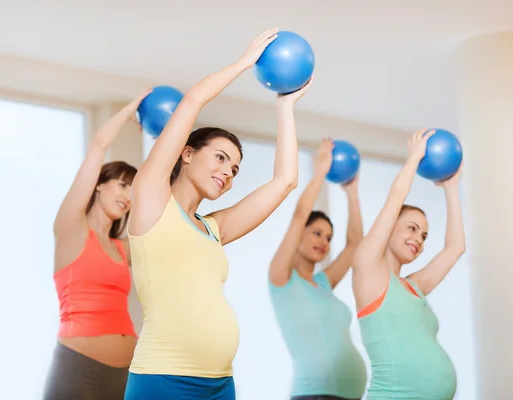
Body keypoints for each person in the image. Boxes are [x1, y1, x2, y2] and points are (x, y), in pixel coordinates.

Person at [124, 28, 313, 400]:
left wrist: (285, 108)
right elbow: (192, 101)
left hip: (221, 384)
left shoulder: (215, 228)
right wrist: (244, 63)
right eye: (221, 158)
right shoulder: (151, 202)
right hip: (163, 381)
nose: (228, 172)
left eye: (235, 170)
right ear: (188, 153)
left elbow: (285, 180)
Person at [43, 93, 149, 400]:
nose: (128, 196)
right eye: (122, 184)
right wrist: (129, 110)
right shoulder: (71, 230)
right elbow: (98, 146)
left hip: (126, 375)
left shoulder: (122, 249)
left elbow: (164, 219)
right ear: (99, 184)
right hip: (78, 370)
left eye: (133, 190)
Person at [352, 129, 466, 400]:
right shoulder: (368, 267)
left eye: (424, 235)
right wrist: (414, 158)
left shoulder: (415, 286)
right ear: (390, 228)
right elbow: (395, 199)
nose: (418, 239)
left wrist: (451, 188)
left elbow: (456, 247)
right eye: (412, 228)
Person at [269, 138, 367, 400]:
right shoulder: (282, 278)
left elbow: (356, 244)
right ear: (299, 234)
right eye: (317, 233)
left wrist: (351, 192)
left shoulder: (323, 284)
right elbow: (300, 215)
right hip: (314, 395)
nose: (323, 241)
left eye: (328, 237)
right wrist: (320, 173)